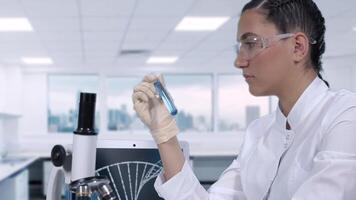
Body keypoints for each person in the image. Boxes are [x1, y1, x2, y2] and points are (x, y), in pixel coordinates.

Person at [131, 0, 356, 199]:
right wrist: (165, 135)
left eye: (251, 43)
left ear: (297, 47)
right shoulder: (259, 132)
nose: (239, 61)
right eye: (240, 47)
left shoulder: (346, 116)